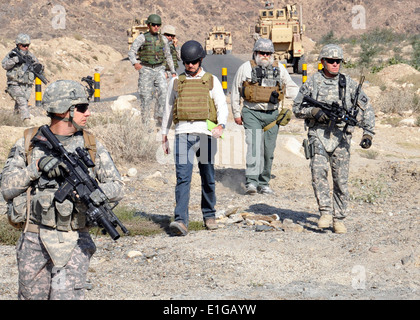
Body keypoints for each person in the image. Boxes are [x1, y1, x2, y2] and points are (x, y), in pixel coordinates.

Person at [0, 80, 124, 299]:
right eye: (83, 108)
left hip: (74, 240)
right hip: (35, 238)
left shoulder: (91, 145)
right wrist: (36, 168)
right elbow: (7, 189)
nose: (88, 113)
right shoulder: (29, 142)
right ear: (67, 110)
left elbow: (118, 187)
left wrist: (97, 193)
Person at [292, 44, 375, 234]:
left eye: (338, 61)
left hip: (341, 137)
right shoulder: (312, 83)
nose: (335, 64)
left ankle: (339, 218)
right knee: (318, 173)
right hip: (318, 135)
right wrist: (313, 112)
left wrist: (368, 134)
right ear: (322, 62)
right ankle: (325, 212)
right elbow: (296, 108)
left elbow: (366, 108)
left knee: (341, 180)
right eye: (331, 61)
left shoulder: (350, 84)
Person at [161, 40, 228, 236]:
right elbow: (168, 108)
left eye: (194, 62)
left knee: (208, 176)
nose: (190, 66)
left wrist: (221, 125)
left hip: (206, 134)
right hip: (182, 134)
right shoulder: (176, 82)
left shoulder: (211, 80)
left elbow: (221, 105)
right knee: (183, 178)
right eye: (187, 62)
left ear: (200, 60)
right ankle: (181, 221)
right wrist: (164, 135)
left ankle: (209, 215)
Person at [231, 38, 299, 195]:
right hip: (251, 113)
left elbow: (291, 88)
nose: (265, 56)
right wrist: (236, 113)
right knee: (254, 147)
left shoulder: (280, 69)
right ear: (255, 53)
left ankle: (264, 183)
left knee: (269, 150)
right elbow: (235, 91)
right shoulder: (245, 68)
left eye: (268, 53)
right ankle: (252, 183)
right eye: (262, 53)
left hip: (272, 115)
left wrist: (303, 102)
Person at [128, 14, 176, 126]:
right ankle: (145, 124)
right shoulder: (142, 38)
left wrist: (173, 71)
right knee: (146, 97)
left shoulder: (163, 39)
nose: (156, 27)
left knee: (164, 92)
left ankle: (159, 117)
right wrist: (135, 63)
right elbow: (131, 52)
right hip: (146, 69)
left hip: (159, 68)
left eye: (158, 25)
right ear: (149, 25)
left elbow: (168, 56)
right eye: (153, 25)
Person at [1, 33, 43, 125]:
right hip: (14, 83)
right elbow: (4, 65)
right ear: (19, 45)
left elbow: (37, 64)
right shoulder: (12, 54)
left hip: (26, 84)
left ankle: (14, 122)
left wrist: (39, 67)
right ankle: (26, 120)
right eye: (24, 45)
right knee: (22, 101)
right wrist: (15, 60)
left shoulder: (30, 55)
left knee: (19, 104)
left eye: (28, 45)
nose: (26, 47)